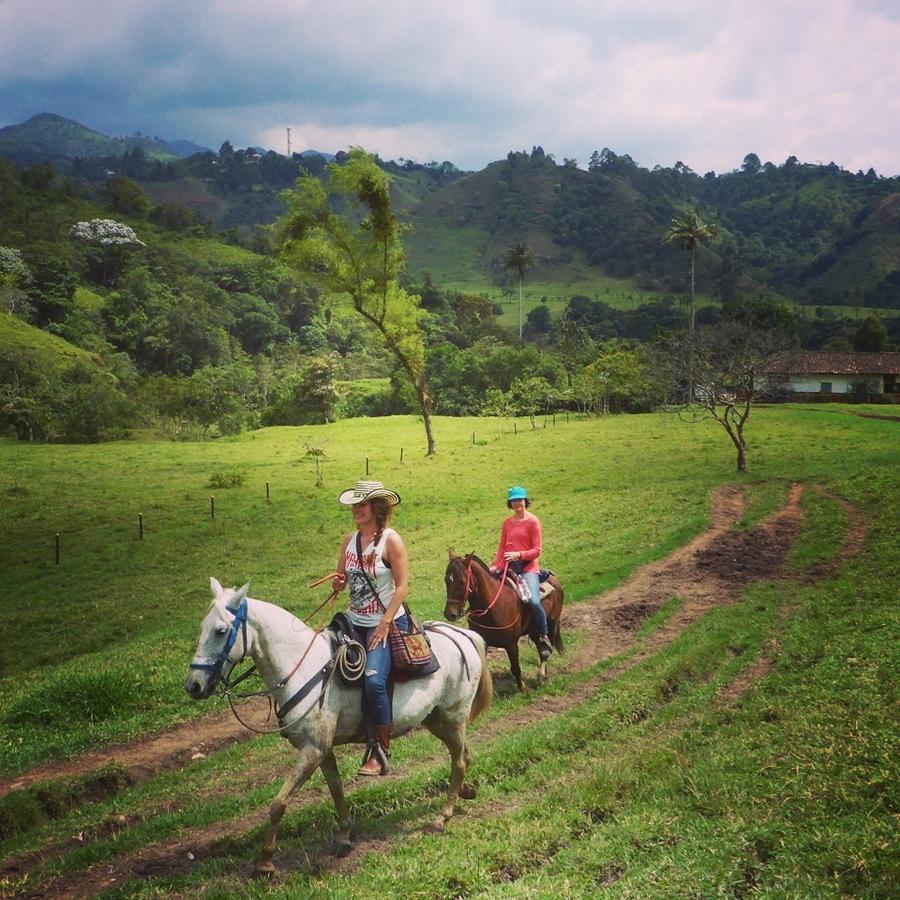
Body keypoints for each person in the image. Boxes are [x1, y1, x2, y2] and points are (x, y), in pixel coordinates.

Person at [331, 479, 409, 776]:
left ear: (377, 508)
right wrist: (339, 582)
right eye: (354, 504)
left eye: (361, 504)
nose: (356, 510)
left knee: (375, 681)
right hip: (353, 621)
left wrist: (385, 624)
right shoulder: (349, 540)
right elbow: (342, 578)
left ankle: (380, 751)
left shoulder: (391, 540)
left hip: (386, 622)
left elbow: (402, 587)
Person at [490, 485, 552, 661]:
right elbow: (502, 548)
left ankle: (543, 635)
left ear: (526, 501)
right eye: (514, 500)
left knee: (533, 600)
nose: (517, 503)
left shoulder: (533, 522)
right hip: (508, 566)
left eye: (520, 500)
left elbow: (537, 550)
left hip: (527, 568)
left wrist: (519, 554)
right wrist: (496, 565)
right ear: (510, 503)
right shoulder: (507, 523)